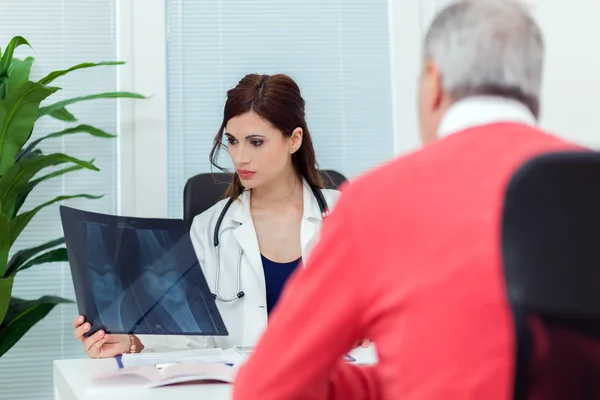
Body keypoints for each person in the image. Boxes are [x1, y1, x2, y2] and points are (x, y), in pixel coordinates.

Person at [232, 1, 588, 399]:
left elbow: (267, 387)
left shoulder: (376, 200)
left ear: (434, 82)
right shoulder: (586, 185)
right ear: (531, 88)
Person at [72, 73, 345, 357]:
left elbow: (381, 311)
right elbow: (192, 336)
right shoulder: (208, 228)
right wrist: (131, 342)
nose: (240, 157)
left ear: (294, 140)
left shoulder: (346, 217)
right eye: (233, 141)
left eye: (256, 142)